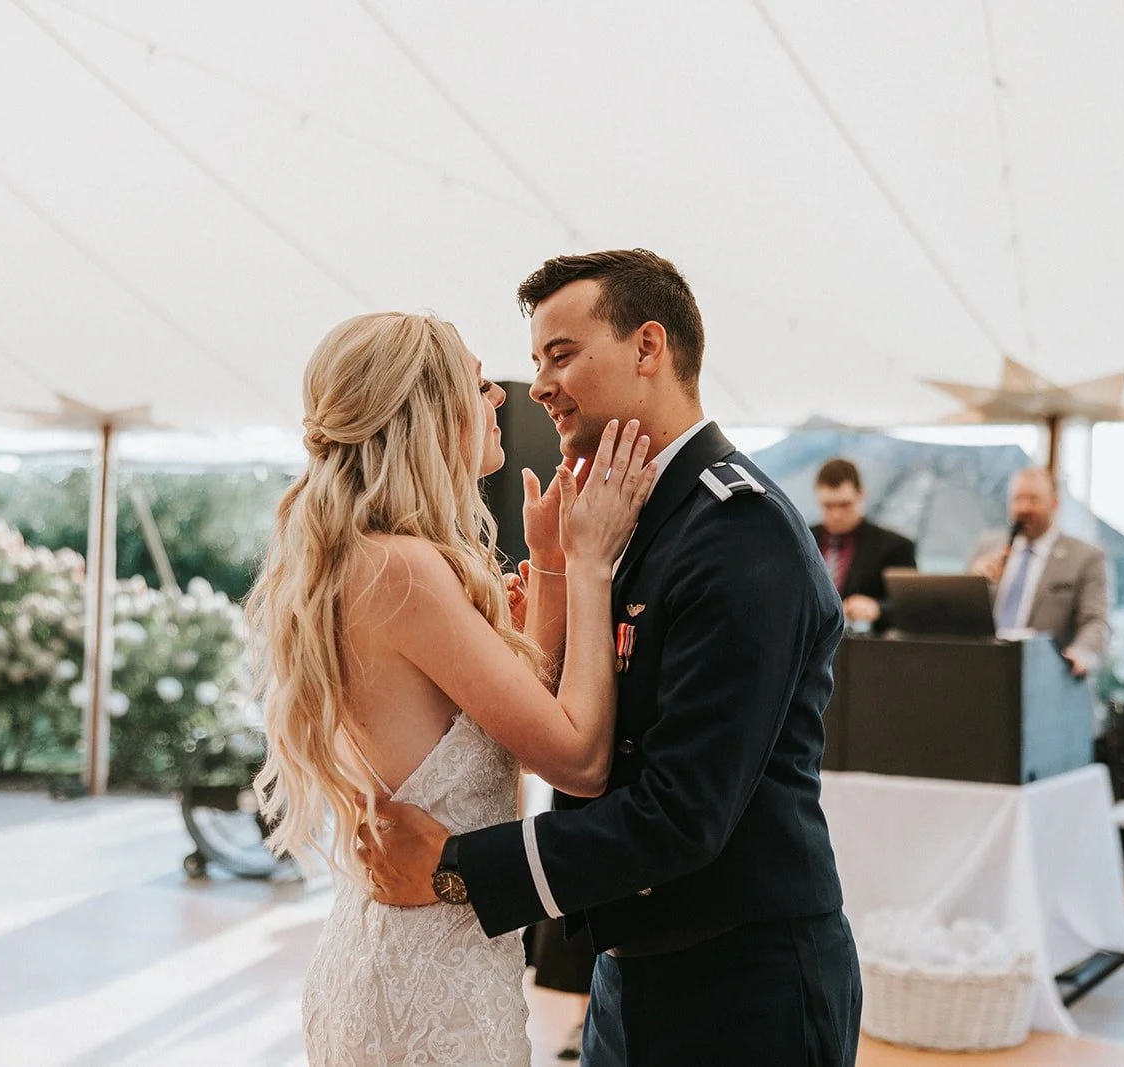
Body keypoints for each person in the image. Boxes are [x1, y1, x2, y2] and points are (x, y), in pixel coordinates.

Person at [361, 250, 861, 1066]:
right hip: (633, 972)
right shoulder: (620, 518)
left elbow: (682, 811)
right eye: (534, 363)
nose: (541, 386)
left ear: (647, 348)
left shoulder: (739, 531)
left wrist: (454, 871)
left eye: (561, 354)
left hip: (743, 984)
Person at [246, 311, 656, 1065]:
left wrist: (552, 567)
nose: (501, 396)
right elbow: (579, 758)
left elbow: (511, 744)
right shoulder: (402, 569)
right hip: (427, 975)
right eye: (478, 382)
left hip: (408, 952)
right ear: (426, 409)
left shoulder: (364, 559)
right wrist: (591, 563)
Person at [968, 466, 1109, 677]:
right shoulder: (987, 548)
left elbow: (1095, 621)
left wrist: (1082, 654)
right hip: (984, 672)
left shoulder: (1086, 557)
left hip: (1046, 678)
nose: (1024, 508)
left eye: (1033, 500)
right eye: (1017, 499)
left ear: (1054, 504)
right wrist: (972, 582)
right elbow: (961, 616)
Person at [810, 457, 918, 631]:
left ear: (862, 495)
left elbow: (912, 606)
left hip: (868, 648)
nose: (836, 514)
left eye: (845, 504)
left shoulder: (895, 546)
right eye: (828, 506)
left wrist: (877, 608)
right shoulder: (803, 541)